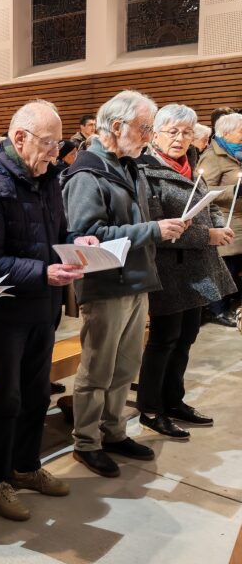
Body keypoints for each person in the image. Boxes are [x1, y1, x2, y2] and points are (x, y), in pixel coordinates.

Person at [0, 101, 89, 520]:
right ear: (20, 138)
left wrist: (76, 241)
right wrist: (42, 272)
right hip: (6, 310)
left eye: (58, 143)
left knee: (37, 392)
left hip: (42, 304)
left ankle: (26, 466)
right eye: (49, 143)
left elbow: (55, 232)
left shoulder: (45, 177)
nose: (56, 152)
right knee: (6, 397)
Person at [62, 90, 188, 478]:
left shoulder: (129, 166)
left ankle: (114, 431)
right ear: (117, 127)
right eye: (145, 127)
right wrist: (152, 230)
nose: (149, 136)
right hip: (106, 285)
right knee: (97, 369)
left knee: (126, 366)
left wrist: (158, 229)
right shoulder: (87, 175)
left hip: (136, 280)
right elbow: (86, 235)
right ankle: (87, 442)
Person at [135, 104, 235, 437]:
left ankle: (174, 400)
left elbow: (209, 205)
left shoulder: (192, 165)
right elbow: (157, 227)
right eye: (173, 131)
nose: (180, 138)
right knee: (164, 340)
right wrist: (208, 235)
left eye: (187, 132)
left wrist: (219, 225)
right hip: (168, 270)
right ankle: (151, 409)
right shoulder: (145, 171)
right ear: (156, 135)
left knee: (187, 338)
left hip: (198, 268)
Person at [199, 112, 242, 326]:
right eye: (241, 131)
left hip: (240, 220)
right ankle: (217, 309)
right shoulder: (212, 157)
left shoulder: (237, 153)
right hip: (225, 219)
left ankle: (230, 304)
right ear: (226, 133)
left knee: (234, 269)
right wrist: (234, 190)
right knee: (225, 269)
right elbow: (202, 190)